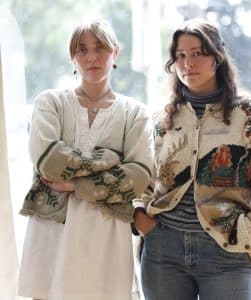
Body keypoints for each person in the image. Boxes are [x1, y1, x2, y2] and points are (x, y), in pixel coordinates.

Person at [133, 18, 251, 300]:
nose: (187, 63)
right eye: (180, 56)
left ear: (217, 57)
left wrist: (245, 231)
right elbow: (142, 178)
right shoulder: (162, 119)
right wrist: (142, 220)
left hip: (227, 252)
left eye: (197, 53)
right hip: (162, 252)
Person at [18, 17, 153, 300]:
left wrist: (76, 186)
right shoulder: (50, 102)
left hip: (107, 233)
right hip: (53, 229)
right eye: (82, 49)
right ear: (72, 56)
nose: (91, 56)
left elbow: (139, 176)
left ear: (115, 52)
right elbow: (49, 162)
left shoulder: (135, 114)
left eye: (100, 47)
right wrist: (110, 160)